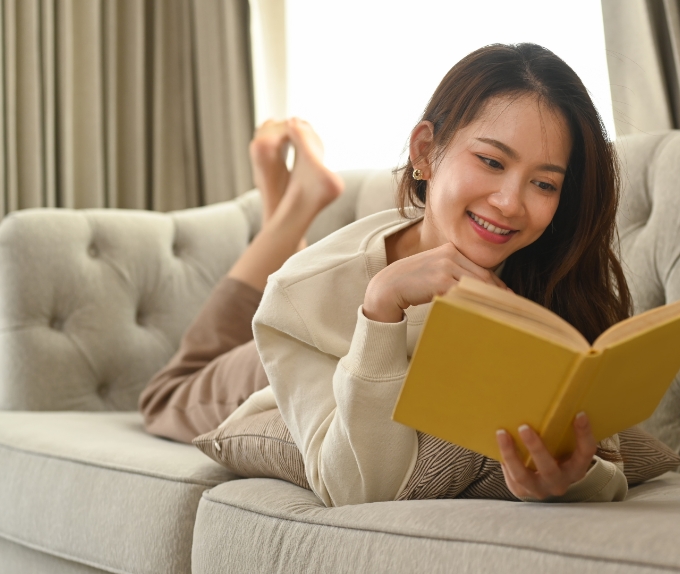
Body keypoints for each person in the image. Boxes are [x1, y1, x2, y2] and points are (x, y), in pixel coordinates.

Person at [140, 43, 631, 507]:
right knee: (165, 395)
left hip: (320, 301)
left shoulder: (556, 278)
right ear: (424, 152)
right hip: (280, 356)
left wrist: (572, 477)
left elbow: (608, 461)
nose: (509, 203)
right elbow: (355, 484)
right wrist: (381, 307)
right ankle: (289, 212)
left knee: (303, 282)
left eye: (543, 183)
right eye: (490, 161)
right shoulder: (303, 294)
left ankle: (285, 210)